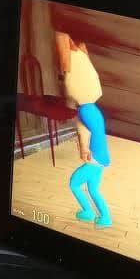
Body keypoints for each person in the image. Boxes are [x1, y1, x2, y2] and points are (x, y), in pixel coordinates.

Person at [55, 32, 112, 227]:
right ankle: (105, 218)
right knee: (93, 189)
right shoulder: (91, 109)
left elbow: (88, 131)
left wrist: (89, 152)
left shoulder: (86, 109)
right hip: (101, 157)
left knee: (74, 183)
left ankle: (88, 212)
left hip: (96, 158)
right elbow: (88, 130)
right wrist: (87, 149)